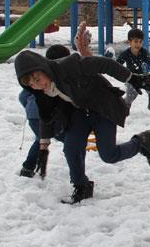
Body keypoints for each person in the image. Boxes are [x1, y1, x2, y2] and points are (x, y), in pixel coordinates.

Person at [14, 42, 150, 204]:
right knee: (71, 148)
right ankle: (81, 186)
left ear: (43, 68)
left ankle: (141, 142)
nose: (38, 84)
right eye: (31, 84)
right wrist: (43, 147)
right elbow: (46, 116)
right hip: (80, 112)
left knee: (109, 155)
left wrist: (132, 78)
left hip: (102, 106)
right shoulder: (42, 93)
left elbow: (103, 64)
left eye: (37, 78)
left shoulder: (69, 66)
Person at [18, 28, 93, 179]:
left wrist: (29, 106)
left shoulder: (39, 77)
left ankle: (28, 167)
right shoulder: (57, 79)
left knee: (41, 138)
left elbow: (23, 96)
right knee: (74, 143)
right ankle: (79, 174)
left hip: (34, 117)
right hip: (46, 117)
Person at [116, 28, 150, 115]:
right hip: (132, 78)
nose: (138, 44)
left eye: (140, 41)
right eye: (136, 41)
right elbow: (118, 65)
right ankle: (125, 108)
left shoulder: (144, 52)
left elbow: (149, 63)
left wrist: (148, 66)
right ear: (129, 42)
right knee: (131, 96)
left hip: (145, 77)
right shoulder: (125, 54)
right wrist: (121, 71)